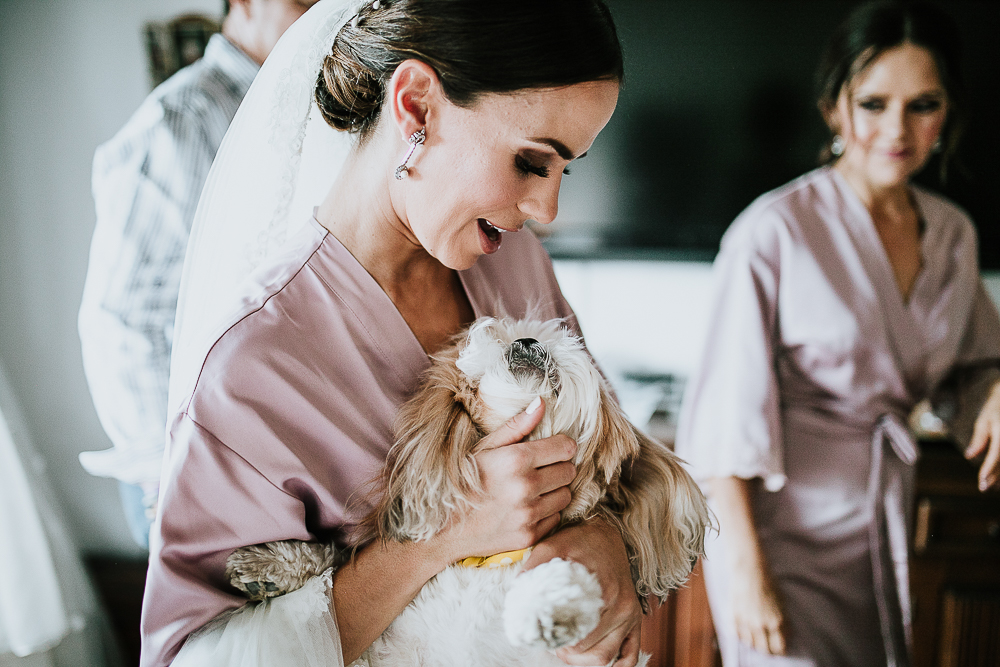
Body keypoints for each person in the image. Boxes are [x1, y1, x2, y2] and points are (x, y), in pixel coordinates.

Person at [138, 2, 696, 666]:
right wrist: (440, 536)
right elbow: (197, 657)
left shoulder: (512, 264)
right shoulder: (252, 365)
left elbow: (608, 456)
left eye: (563, 168)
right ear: (417, 106)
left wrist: (607, 542)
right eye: (528, 162)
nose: (547, 209)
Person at [675, 2, 1000, 666]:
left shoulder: (955, 234)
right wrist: (746, 574)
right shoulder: (774, 233)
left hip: (882, 531)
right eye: (874, 103)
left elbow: (971, 372)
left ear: (949, 113)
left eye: (923, 104)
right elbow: (719, 429)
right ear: (833, 108)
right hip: (776, 542)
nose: (897, 129)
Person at [77, 0, 320, 549]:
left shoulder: (298, 105)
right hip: (197, 480)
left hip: (279, 463)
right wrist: (172, 479)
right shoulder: (183, 118)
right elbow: (127, 320)